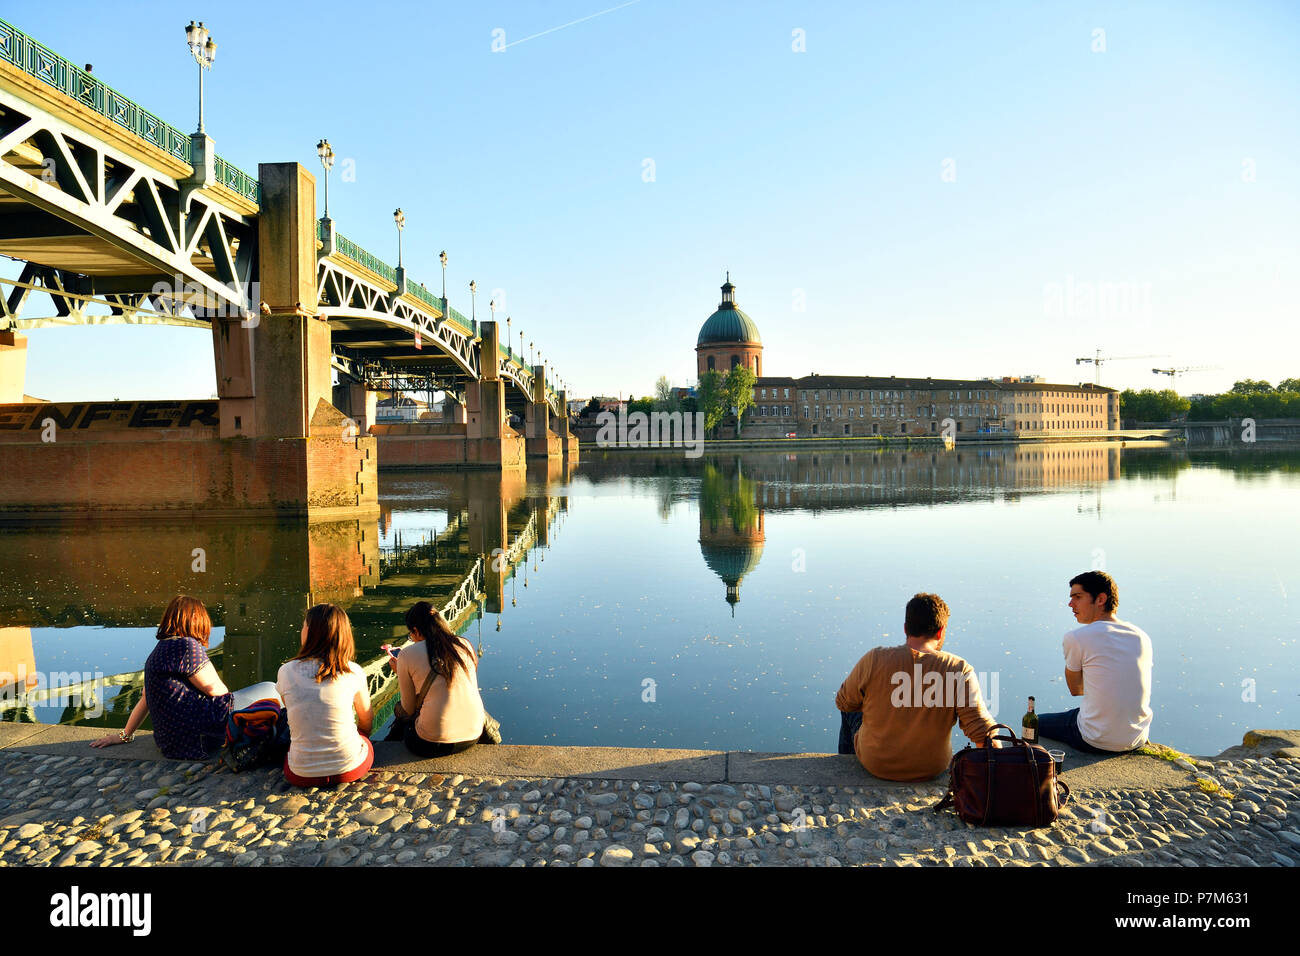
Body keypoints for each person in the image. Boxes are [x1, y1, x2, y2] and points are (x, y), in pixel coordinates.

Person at [90, 595, 278, 759]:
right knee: (272, 689)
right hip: (198, 738)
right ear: (196, 620)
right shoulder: (187, 646)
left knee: (265, 701)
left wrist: (125, 735)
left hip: (170, 742)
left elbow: (146, 698)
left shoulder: (157, 652)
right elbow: (216, 691)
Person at [835, 593, 998, 781]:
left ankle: (845, 771)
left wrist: (879, 703)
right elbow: (984, 733)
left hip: (876, 764)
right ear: (940, 631)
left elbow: (843, 702)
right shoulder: (958, 669)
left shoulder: (875, 658)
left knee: (850, 710)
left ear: (906, 628)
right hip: (932, 767)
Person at [1038, 571, 1152, 754]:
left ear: (1100, 599)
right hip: (1136, 737)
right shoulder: (1140, 636)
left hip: (1094, 739)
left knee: (1033, 722)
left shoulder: (1077, 637)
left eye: (1077, 597)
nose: (1070, 604)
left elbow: (1076, 689)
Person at [276, 603, 374, 787]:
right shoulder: (353, 671)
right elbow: (366, 719)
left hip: (301, 773)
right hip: (350, 768)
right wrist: (360, 737)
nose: (301, 630)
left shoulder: (286, 672)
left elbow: (295, 711)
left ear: (311, 632)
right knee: (364, 742)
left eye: (304, 625)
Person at [386, 601, 487, 758]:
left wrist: (401, 672)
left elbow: (409, 709)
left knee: (403, 722)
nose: (412, 638)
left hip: (432, 743)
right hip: (473, 735)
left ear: (416, 630)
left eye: (410, 635)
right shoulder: (464, 644)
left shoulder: (407, 654)